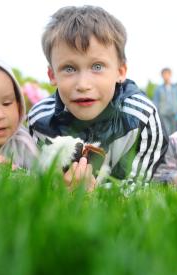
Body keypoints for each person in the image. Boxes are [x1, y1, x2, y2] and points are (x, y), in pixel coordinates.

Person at [27, 5, 168, 186]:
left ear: (120, 71)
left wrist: (91, 194)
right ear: (52, 75)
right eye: (69, 68)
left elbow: (138, 186)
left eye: (97, 67)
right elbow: (35, 180)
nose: (83, 85)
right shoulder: (40, 120)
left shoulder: (141, 118)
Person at [153, 68, 177, 135]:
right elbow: (155, 102)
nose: (165, 76)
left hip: (175, 114)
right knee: (166, 133)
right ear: (162, 76)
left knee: (175, 133)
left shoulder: (176, 88)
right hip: (163, 114)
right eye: (164, 74)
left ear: (170, 75)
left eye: (167, 74)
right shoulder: (158, 89)